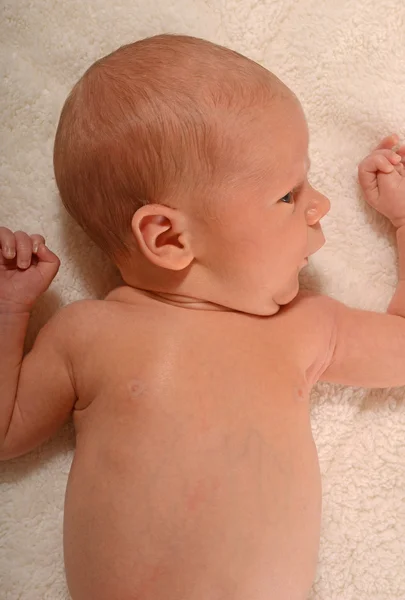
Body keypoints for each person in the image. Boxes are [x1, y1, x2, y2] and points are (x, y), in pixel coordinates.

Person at [1, 34, 405, 600]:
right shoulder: (86, 333)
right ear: (167, 237)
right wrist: (10, 309)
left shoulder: (307, 328)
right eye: (289, 194)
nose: (321, 205)